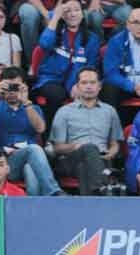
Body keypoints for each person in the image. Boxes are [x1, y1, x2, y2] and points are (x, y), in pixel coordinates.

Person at [0, 66, 63, 196]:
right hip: (5, 163)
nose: (12, 91)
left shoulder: (33, 108)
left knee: (30, 168)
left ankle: (32, 207)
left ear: (24, 86)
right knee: (35, 149)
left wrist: (25, 102)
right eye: (8, 86)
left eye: (16, 86)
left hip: (30, 160)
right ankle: (54, 192)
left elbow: (40, 128)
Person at [50, 67, 124, 196]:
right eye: (84, 83)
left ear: (99, 86)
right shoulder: (64, 111)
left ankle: (95, 197)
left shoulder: (110, 111)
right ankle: (103, 188)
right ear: (77, 86)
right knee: (89, 148)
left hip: (102, 159)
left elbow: (115, 144)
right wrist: (75, 146)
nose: (88, 86)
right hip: (71, 159)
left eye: (92, 82)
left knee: (84, 168)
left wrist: (111, 153)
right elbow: (57, 148)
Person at [34, 0, 100, 126]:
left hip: (77, 80)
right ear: (62, 15)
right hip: (50, 79)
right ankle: (50, 136)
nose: (72, 14)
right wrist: (55, 18)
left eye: (76, 10)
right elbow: (44, 44)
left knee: (88, 92)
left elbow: (90, 67)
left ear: (82, 13)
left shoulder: (92, 39)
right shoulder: (55, 31)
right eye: (67, 11)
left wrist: (75, 85)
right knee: (57, 94)